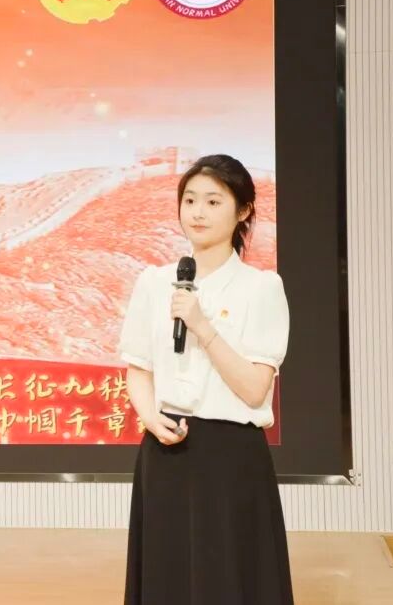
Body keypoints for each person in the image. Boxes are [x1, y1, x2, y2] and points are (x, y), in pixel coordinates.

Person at [119, 154, 293, 604]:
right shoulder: (154, 282)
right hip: (165, 451)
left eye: (214, 202)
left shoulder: (262, 288)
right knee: (167, 580)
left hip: (230, 459)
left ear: (243, 211)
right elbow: (138, 368)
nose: (197, 212)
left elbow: (254, 389)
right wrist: (150, 418)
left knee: (226, 582)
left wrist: (202, 325)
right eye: (190, 200)